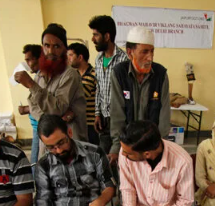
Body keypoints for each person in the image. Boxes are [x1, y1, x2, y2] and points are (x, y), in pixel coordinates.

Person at [14, 23, 88, 146]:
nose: (50, 51)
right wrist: (53, 120)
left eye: (56, 46)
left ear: (64, 49)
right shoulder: (41, 74)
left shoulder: (69, 75)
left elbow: (58, 107)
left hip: (70, 142)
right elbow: (33, 106)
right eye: (47, 46)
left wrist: (32, 85)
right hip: (48, 140)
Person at [109, 26, 171, 164]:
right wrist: (116, 147)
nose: (150, 57)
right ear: (130, 53)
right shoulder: (119, 73)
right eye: (144, 52)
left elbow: (164, 113)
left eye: (152, 51)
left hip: (152, 145)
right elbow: (117, 114)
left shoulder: (160, 74)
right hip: (129, 145)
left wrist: (160, 146)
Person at [88, 15, 129, 157]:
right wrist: (97, 114)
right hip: (104, 119)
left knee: (120, 156)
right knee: (103, 157)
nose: (93, 39)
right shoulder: (98, 59)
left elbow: (128, 93)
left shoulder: (124, 60)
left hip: (119, 119)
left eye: (95, 35)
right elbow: (99, 88)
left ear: (107, 36)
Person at [67, 43, 98, 146]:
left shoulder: (92, 75)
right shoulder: (75, 75)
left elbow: (78, 97)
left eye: (71, 55)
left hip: (90, 124)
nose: (68, 58)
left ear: (80, 57)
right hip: (79, 122)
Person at [17, 44, 42, 164]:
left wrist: (26, 109)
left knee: (36, 160)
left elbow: (44, 103)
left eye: (28, 60)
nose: (27, 64)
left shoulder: (44, 78)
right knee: (35, 159)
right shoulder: (38, 76)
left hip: (41, 125)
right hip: (36, 125)